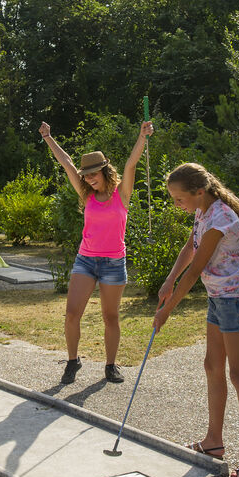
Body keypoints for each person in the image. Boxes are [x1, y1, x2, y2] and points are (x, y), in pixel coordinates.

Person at [154, 163, 239, 477]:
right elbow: (191, 247)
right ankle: (214, 442)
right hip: (219, 297)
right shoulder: (204, 210)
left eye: (178, 198)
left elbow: (196, 269)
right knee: (212, 366)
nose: (177, 204)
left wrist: (167, 309)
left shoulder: (220, 217)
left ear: (198, 191)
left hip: (238, 299)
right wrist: (169, 280)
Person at [39, 119, 153, 384]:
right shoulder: (86, 194)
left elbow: (131, 164)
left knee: (110, 317)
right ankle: (72, 361)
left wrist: (142, 136)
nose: (89, 178)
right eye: (86, 175)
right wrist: (48, 137)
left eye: (94, 174)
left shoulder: (121, 195)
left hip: (114, 262)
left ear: (105, 171)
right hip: (86, 260)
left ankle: (110, 366)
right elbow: (66, 162)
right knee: (71, 313)